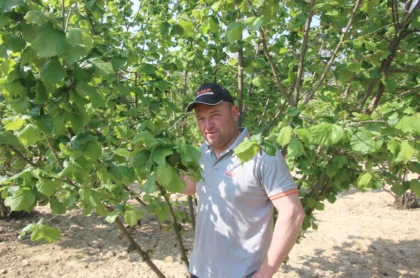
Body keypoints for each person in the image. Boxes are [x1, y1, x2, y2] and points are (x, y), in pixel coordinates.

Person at [183, 83, 305, 278]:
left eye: (215, 115)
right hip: (199, 270)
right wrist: (155, 166)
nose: (208, 125)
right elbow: (190, 187)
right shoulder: (202, 152)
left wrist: (265, 274)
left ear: (234, 112)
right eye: (201, 118)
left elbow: (292, 213)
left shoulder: (262, 155)